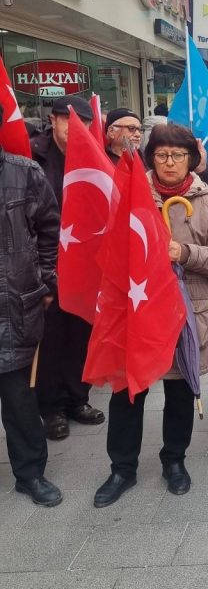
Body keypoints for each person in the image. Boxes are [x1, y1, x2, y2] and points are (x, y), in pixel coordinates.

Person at [93, 125, 208, 507]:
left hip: (184, 313)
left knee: (179, 391)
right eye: (161, 155)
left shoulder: (207, 202)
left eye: (178, 155)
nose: (170, 162)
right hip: (137, 310)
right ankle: (122, 468)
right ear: (150, 157)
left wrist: (184, 253)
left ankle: (174, 460)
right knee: (128, 391)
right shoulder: (132, 195)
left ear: (191, 159)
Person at [0, 103, 63, 506]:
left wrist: (45, 280)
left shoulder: (25, 174)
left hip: (14, 306)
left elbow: (50, 231)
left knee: (19, 399)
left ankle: (30, 474)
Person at [31, 95, 105, 439]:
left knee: (80, 336)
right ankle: (52, 409)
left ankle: (78, 399)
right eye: (69, 120)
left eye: (85, 123)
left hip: (84, 264)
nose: (77, 129)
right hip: (46, 265)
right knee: (51, 340)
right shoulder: (33, 157)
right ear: (53, 120)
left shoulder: (92, 155)